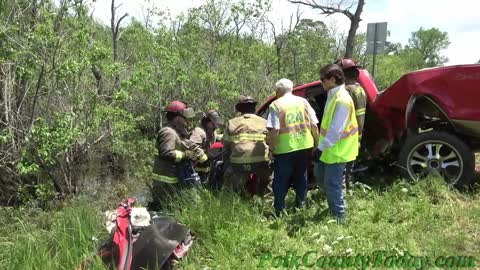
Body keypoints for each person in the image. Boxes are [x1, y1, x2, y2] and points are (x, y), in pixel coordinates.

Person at [313, 64, 360, 224]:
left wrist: (319, 149)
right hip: (329, 149)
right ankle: (335, 203)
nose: (321, 82)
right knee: (320, 176)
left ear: (332, 79)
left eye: (323, 79)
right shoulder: (332, 95)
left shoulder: (342, 99)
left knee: (332, 184)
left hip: (338, 151)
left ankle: (339, 218)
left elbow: (335, 131)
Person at [267, 78, 319, 217]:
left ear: (278, 91)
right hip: (303, 147)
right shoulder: (304, 102)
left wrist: (271, 149)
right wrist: (316, 143)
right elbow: (314, 125)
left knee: (280, 180)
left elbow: (275, 131)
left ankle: (279, 210)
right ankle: (301, 206)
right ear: (291, 89)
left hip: (284, 149)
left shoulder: (276, 105)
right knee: (301, 178)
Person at [150, 100, 206, 209]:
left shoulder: (175, 132)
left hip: (171, 181)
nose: (187, 122)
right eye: (185, 119)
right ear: (177, 118)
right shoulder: (168, 132)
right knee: (164, 213)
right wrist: (186, 155)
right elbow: (166, 153)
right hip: (165, 183)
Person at [222, 95, 271, 196]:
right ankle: (266, 202)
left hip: (238, 162)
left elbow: (225, 143)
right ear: (253, 108)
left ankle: (232, 202)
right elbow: (271, 141)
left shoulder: (232, 123)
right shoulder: (264, 122)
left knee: (230, 186)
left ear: (240, 109)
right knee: (268, 181)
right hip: (261, 161)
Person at [334, 58, 367, 190]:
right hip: (357, 135)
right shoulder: (360, 90)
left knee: (341, 170)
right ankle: (349, 190)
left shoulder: (346, 91)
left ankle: (342, 195)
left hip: (346, 136)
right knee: (349, 168)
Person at [189, 109, 224, 183]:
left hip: (205, 169)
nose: (217, 125)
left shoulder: (212, 132)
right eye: (215, 122)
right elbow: (191, 146)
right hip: (194, 169)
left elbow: (214, 139)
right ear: (209, 122)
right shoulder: (199, 131)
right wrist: (203, 157)